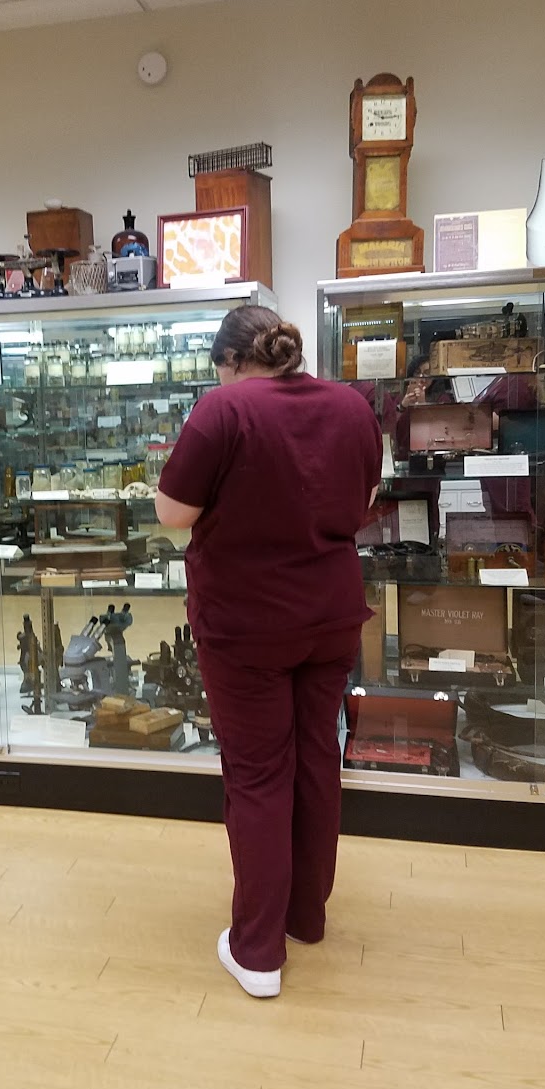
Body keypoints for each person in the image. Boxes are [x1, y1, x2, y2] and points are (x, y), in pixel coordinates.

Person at [155, 307, 382, 998]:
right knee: (316, 759)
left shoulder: (223, 410)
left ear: (230, 361)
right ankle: (305, 915)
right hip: (331, 617)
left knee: (257, 775)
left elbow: (172, 513)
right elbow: (366, 498)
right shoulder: (352, 407)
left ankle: (256, 951)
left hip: (247, 624)